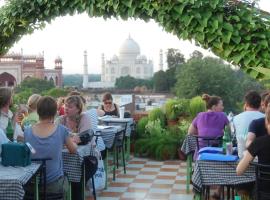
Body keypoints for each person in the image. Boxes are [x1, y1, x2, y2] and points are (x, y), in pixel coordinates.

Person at [24, 96, 77, 197]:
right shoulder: (61, 130)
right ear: (55, 112)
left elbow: (31, 151)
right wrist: (74, 142)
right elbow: (73, 150)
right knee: (70, 177)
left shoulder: (27, 131)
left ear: (38, 111)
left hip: (31, 185)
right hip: (54, 185)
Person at [236, 103, 270, 194]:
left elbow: (239, 171)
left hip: (264, 192)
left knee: (241, 186)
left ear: (266, 122)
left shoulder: (259, 142)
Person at [233, 91, 264, 158]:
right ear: (260, 104)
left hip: (241, 158)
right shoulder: (265, 118)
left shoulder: (236, 118)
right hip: (261, 160)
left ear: (246, 104)